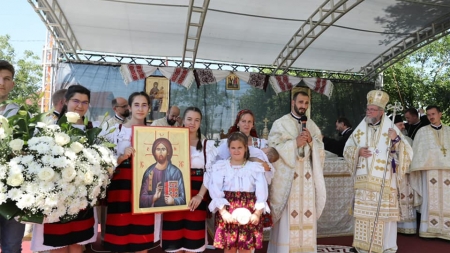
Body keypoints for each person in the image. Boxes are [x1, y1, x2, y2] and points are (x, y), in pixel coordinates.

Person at [31, 84, 99, 253]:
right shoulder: (50, 127)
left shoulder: (92, 130)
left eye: (85, 102)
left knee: (77, 246)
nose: (80, 106)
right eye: (76, 101)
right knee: (57, 246)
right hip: (56, 200)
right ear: (65, 102)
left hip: (81, 201)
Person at [343, 90, 413, 253]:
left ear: (381, 112)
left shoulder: (391, 128)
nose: (369, 112)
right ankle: (362, 246)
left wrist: (396, 140)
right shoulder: (360, 129)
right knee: (363, 215)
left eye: (372, 110)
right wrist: (358, 151)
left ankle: (385, 247)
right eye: (368, 109)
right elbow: (347, 148)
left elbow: (407, 153)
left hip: (384, 181)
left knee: (384, 217)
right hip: (363, 182)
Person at [267, 90, 326, 253]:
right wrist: (294, 143)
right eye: (300, 102)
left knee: (306, 215)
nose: (303, 106)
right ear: (293, 103)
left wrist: (312, 142)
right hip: (289, 180)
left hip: (307, 180)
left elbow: (321, 150)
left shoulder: (312, 125)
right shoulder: (280, 124)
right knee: (288, 217)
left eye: (306, 103)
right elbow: (273, 150)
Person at [102, 91, 157, 253]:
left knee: (141, 237)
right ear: (130, 107)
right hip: (121, 187)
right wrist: (121, 157)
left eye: (144, 105)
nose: (140, 109)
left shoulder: (155, 132)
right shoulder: (115, 130)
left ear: (148, 108)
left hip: (145, 187)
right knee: (119, 235)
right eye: (136, 105)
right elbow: (104, 162)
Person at [160, 106, 217, 252]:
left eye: (197, 120)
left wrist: (200, 195)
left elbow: (210, 173)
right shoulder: (170, 141)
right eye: (189, 119)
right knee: (174, 240)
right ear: (183, 120)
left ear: (200, 123)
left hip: (196, 194)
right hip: (173, 191)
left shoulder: (206, 145)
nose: (193, 123)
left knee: (193, 242)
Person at [208, 132, 269, 252]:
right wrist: (223, 212)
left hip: (249, 209)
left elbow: (262, 190)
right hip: (228, 209)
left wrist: (257, 212)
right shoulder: (221, 167)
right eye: (233, 148)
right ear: (229, 149)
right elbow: (215, 188)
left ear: (245, 148)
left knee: (245, 247)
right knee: (230, 247)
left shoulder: (254, 168)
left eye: (240, 147)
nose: (236, 151)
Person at [410, 105, 450, 240]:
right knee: (429, 199)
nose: (431, 117)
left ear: (440, 114)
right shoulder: (422, 132)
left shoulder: (449, 131)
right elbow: (418, 153)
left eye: (433, 114)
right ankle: (428, 230)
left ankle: (447, 230)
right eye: (428, 115)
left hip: (447, 173)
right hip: (430, 173)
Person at [0, 60, 25, 253]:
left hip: (14, 192)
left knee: (12, 245)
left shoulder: (21, 114)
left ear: (12, 84)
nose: (2, 82)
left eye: (6, 78)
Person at [139, 137, 186, 207]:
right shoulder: (149, 172)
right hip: (153, 212)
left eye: (163, 149)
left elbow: (183, 198)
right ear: (154, 152)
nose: (160, 152)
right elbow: (142, 199)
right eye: (158, 149)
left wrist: (174, 200)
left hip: (171, 213)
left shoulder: (176, 172)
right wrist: (154, 197)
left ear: (168, 152)